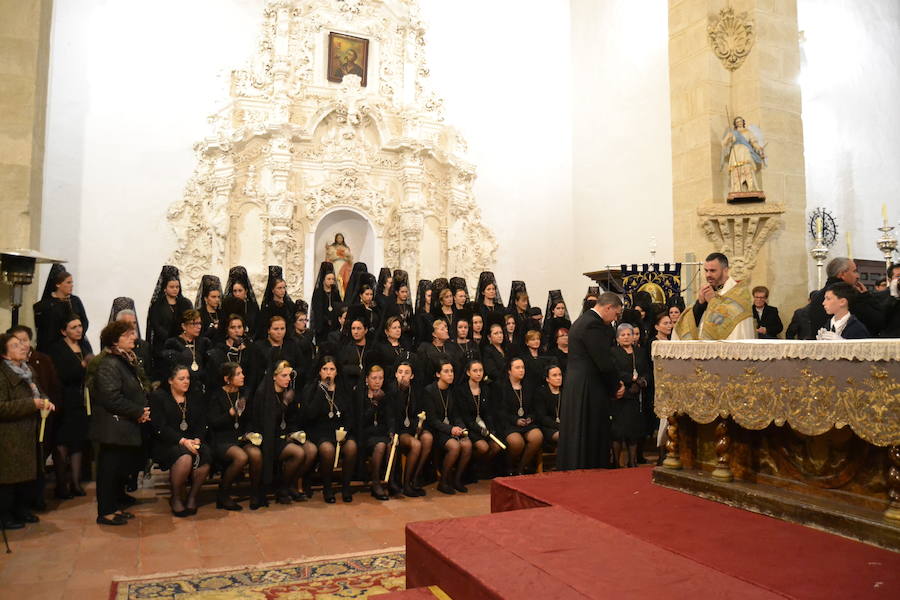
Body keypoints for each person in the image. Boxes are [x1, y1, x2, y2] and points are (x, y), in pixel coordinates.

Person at [88, 320, 151, 526]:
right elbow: (111, 398)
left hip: (123, 425)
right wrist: (138, 411)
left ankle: (113, 507)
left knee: (116, 470)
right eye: (128, 335)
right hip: (111, 427)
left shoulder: (124, 359)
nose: (133, 337)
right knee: (108, 471)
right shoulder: (109, 363)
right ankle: (105, 512)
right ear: (115, 340)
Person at [557, 292, 625, 471]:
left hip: (579, 383)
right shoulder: (593, 325)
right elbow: (603, 361)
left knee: (579, 429)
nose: (615, 319)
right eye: (616, 314)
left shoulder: (583, 320)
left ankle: (578, 467)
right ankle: (589, 470)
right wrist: (616, 386)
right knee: (589, 430)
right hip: (588, 385)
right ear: (608, 307)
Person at [0, 333, 55, 530]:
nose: (23, 347)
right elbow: (2, 407)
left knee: (27, 476)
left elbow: (39, 392)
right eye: (15, 345)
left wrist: (45, 401)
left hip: (29, 431)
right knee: (9, 478)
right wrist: (31, 404)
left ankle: (21, 509)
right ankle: (5, 515)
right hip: (9, 435)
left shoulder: (28, 370)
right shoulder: (2, 374)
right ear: (5, 354)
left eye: (23, 343)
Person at [247, 360, 314, 507]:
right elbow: (268, 421)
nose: (288, 379)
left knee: (310, 450)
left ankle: (288, 486)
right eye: (284, 375)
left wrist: (294, 432)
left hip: (285, 434)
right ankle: (282, 488)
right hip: (268, 438)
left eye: (289, 375)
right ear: (274, 376)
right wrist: (284, 403)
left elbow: (293, 418)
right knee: (298, 453)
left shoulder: (287, 391)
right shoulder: (263, 393)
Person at [150, 366, 211, 517]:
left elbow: (202, 422)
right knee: (184, 458)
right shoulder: (158, 397)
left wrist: (197, 438)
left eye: (188, 378)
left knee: (205, 455)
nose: (186, 382)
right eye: (181, 379)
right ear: (170, 380)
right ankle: (176, 497)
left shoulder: (194, 396)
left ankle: (192, 496)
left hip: (192, 439)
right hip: (168, 442)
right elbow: (160, 427)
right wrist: (182, 441)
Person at [47, 314, 93, 500]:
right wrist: (83, 365)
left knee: (78, 443)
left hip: (81, 401)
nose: (79, 330)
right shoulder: (56, 349)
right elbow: (62, 375)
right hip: (64, 401)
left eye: (80, 326)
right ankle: (61, 485)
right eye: (73, 327)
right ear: (63, 331)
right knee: (62, 443)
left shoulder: (83, 346)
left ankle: (75, 482)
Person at [206, 362, 261, 511]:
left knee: (255, 454)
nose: (243, 376)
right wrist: (230, 414)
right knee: (241, 457)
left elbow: (250, 419)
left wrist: (249, 433)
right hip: (222, 438)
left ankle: (255, 494)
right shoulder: (217, 395)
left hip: (241, 437)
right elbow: (213, 422)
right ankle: (223, 495)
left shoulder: (244, 393)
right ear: (227, 378)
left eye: (242, 373)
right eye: (238, 374)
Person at [302, 355, 356, 503]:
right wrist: (322, 390)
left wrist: (345, 430)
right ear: (319, 372)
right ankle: (327, 488)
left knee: (351, 447)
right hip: (320, 430)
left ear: (337, 372)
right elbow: (310, 415)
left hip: (340, 431)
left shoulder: (343, 388)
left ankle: (346, 487)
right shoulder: (312, 388)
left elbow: (350, 415)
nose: (328, 372)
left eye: (332, 369)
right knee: (327, 450)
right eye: (325, 369)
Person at [673, 253, 755, 341]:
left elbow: (728, 320)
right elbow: (689, 322)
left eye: (712, 271)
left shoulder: (739, 292)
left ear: (725, 270)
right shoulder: (707, 290)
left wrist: (713, 301)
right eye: (706, 270)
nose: (708, 275)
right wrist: (700, 304)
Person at [421, 358, 472, 494]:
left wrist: (461, 427)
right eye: (446, 371)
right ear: (438, 374)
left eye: (452, 371)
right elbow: (432, 420)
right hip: (436, 430)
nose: (450, 374)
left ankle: (456, 479)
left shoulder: (452, 390)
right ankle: (443, 482)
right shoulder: (429, 391)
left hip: (451, 429)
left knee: (467, 444)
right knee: (454, 447)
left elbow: (456, 415)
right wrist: (451, 429)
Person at [808, 258, 886, 337]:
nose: (858, 276)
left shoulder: (816, 296)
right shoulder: (850, 295)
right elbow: (877, 321)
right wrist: (865, 296)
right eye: (854, 271)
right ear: (842, 274)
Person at [494, 357, 543, 475]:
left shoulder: (528, 385)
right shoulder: (500, 386)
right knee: (517, 443)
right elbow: (498, 411)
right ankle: (509, 467)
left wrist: (530, 418)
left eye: (522, 367)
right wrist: (515, 420)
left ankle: (521, 468)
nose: (521, 370)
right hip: (508, 423)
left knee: (537, 437)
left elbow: (535, 407)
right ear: (509, 371)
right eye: (517, 368)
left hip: (527, 422)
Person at [610, 324, 649, 468]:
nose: (626, 337)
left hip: (635, 396)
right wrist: (631, 380)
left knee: (634, 430)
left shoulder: (640, 352)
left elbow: (646, 371)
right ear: (617, 338)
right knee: (618, 430)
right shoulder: (613, 352)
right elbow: (615, 371)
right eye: (622, 335)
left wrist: (641, 382)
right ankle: (615, 461)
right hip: (620, 394)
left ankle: (632, 461)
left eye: (628, 334)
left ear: (634, 337)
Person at [454, 359, 502, 474]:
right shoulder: (461, 390)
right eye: (475, 371)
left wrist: (490, 429)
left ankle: (479, 468)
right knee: (483, 447)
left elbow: (489, 413)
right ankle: (469, 467)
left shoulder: (485, 388)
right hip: (469, 427)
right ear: (468, 373)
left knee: (496, 446)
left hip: (484, 426)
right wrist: (480, 429)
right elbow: (465, 417)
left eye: (481, 370)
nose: (479, 373)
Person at [388, 361, 428, 496]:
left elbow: (420, 411)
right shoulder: (391, 390)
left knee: (427, 438)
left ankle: (415, 478)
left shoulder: (415, 390)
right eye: (400, 372)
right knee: (416, 445)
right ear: (395, 374)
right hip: (399, 430)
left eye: (406, 373)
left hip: (411, 427)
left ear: (412, 376)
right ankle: (405, 483)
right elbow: (391, 416)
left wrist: (418, 424)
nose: (403, 376)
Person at [146, 266, 193, 381]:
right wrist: (171, 339)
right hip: (163, 346)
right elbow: (156, 326)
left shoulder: (185, 303)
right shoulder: (157, 305)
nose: (175, 289)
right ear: (164, 288)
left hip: (183, 344)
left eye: (177, 287)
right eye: (172, 287)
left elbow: (190, 321)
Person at [356, 365, 394, 501]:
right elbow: (360, 421)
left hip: (382, 433)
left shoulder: (385, 394)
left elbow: (390, 418)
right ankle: (376, 483)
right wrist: (374, 404)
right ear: (367, 380)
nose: (377, 381)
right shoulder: (360, 395)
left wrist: (391, 432)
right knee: (381, 446)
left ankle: (390, 481)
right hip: (366, 434)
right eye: (374, 378)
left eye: (380, 378)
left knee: (391, 443)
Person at [33, 264, 89, 353]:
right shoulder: (45, 305)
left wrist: (77, 334)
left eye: (72, 282)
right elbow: (45, 329)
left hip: (76, 344)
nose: (72, 285)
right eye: (68, 282)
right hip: (54, 348)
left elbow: (84, 321)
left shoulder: (75, 300)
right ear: (58, 284)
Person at [721, 116, 765, 194]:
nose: (739, 123)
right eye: (737, 122)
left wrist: (759, 148)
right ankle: (736, 189)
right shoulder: (732, 133)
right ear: (735, 124)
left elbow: (753, 142)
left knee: (748, 168)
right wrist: (728, 138)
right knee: (736, 170)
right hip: (736, 152)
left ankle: (751, 187)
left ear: (743, 122)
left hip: (745, 151)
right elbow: (723, 143)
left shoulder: (748, 132)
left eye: (740, 121)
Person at [256, 267, 296, 340]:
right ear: (273, 290)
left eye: (284, 287)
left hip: (289, 339)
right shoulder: (268, 307)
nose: (283, 290)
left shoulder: (290, 305)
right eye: (279, 288)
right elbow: (264, 327)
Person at [223, 266, 260, 339]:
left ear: (246, 291)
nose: (237, 294)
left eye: (240, 291)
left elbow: (257, 327)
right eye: (235, 291)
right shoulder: (227, 306)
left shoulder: (252, 306)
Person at [311, 261, 342, 343]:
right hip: (322, 327)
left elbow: (339, 307)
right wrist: (325, 319)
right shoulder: (318, 293)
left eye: (333, 279)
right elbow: (316, 310)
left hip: (334, 326)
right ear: (323, 279)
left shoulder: (335, 292)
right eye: (329, 279)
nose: (331, 281)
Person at [534, 363, 563, 449]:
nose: (558, 378)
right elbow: (542, 418)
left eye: (560, 375)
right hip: (547, 428)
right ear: (547, 379)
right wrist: (561, 426)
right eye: (554, 375)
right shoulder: (540, 393)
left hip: (565, 426)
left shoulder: (566, 392)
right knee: (566, 436)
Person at [417, 320, 452, 386]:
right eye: (442, 329)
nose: (446, 331)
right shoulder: (425, 348)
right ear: (434, 334)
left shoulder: (451, 347)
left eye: (446, 328)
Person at [195, 275, 224, 342]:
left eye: (218, 297)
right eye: (213, 297)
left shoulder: (221, 313)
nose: (217, 299)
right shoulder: (199, 314)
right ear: (206, 298)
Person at [324, 233, 353, 297]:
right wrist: (336, 254)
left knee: (344, 280)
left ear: (343, 239)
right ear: (336, 239)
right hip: (336, 264)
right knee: (336, 279)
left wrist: (345, 255)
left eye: (341, 238)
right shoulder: (332, 247)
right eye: (338, 238)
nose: (339, 239)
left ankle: (343, 295)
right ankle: (336, 294)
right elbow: (329, 256)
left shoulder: (346, 248)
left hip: (344, 265)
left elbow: (350, 258)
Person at [414, 280, 434, 347]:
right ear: (424, 297)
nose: (431, 298)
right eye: (429, 296)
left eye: (432, 296)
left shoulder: (435, 311)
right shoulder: (419, 314)